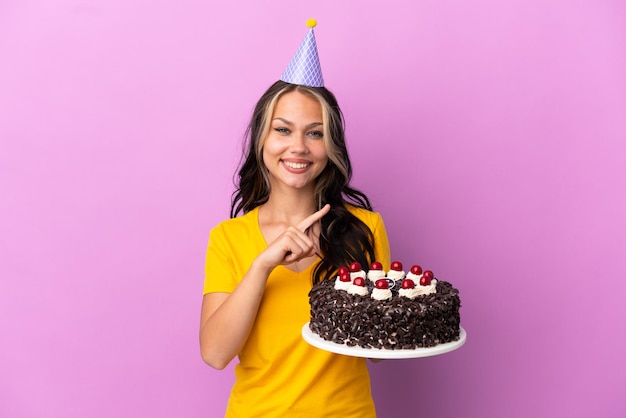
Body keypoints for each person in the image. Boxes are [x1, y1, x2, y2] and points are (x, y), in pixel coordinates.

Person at [199, 20, 391, 417]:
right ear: (262, 140)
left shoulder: (365, 229)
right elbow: (216, 354)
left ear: (331, 145)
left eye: (315, 133)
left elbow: (381, 354)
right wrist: (263, 265)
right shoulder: (229, 238)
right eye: (283, 130)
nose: (298, 147)